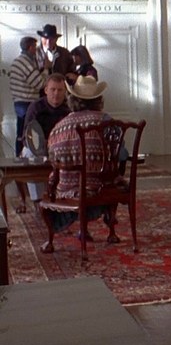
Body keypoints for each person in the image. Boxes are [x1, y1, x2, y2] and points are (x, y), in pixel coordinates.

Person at [40, 75, 113, 253]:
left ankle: (58, 233)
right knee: (115, 178)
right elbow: (120, 152)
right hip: (98, 186)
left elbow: (52, 158)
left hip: (64, 187)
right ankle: (110, 228)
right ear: (98, 99)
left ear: (72, 99)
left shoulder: (59, 127)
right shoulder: (105, 120)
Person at [18, 73, 71, 212]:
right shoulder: (35, 107)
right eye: (53, 89)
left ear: (65, 91)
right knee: (29, 154)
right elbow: (27, 136)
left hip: (59, 148)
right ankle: (38, 201)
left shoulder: (68, 109)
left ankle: (65, 197)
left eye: (60, 90)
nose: (56, 94)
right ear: (46, 90)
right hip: (36, 147)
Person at [8, 36, 47, 156]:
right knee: (31, 133)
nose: (36, 50)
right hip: (27, 102)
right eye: (35, 47)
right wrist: (46, 69)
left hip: (19, 102)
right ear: (30, 48)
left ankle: (18, 158)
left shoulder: (17, 61)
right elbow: (40, 83)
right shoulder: (26, 63)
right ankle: (30, 159)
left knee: (21, 133)